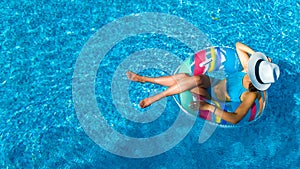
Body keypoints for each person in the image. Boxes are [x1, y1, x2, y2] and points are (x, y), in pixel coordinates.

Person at [126, 42, 280, 124]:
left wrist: (209, 107)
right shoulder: (247, 69)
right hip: (212, 81)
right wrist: (259, 57)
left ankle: (150, 89)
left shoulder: (250, 95)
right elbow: (238, 45)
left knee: (189, 78)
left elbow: (235, 118)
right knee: (191, 77)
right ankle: (144, 80)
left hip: (210, 95)